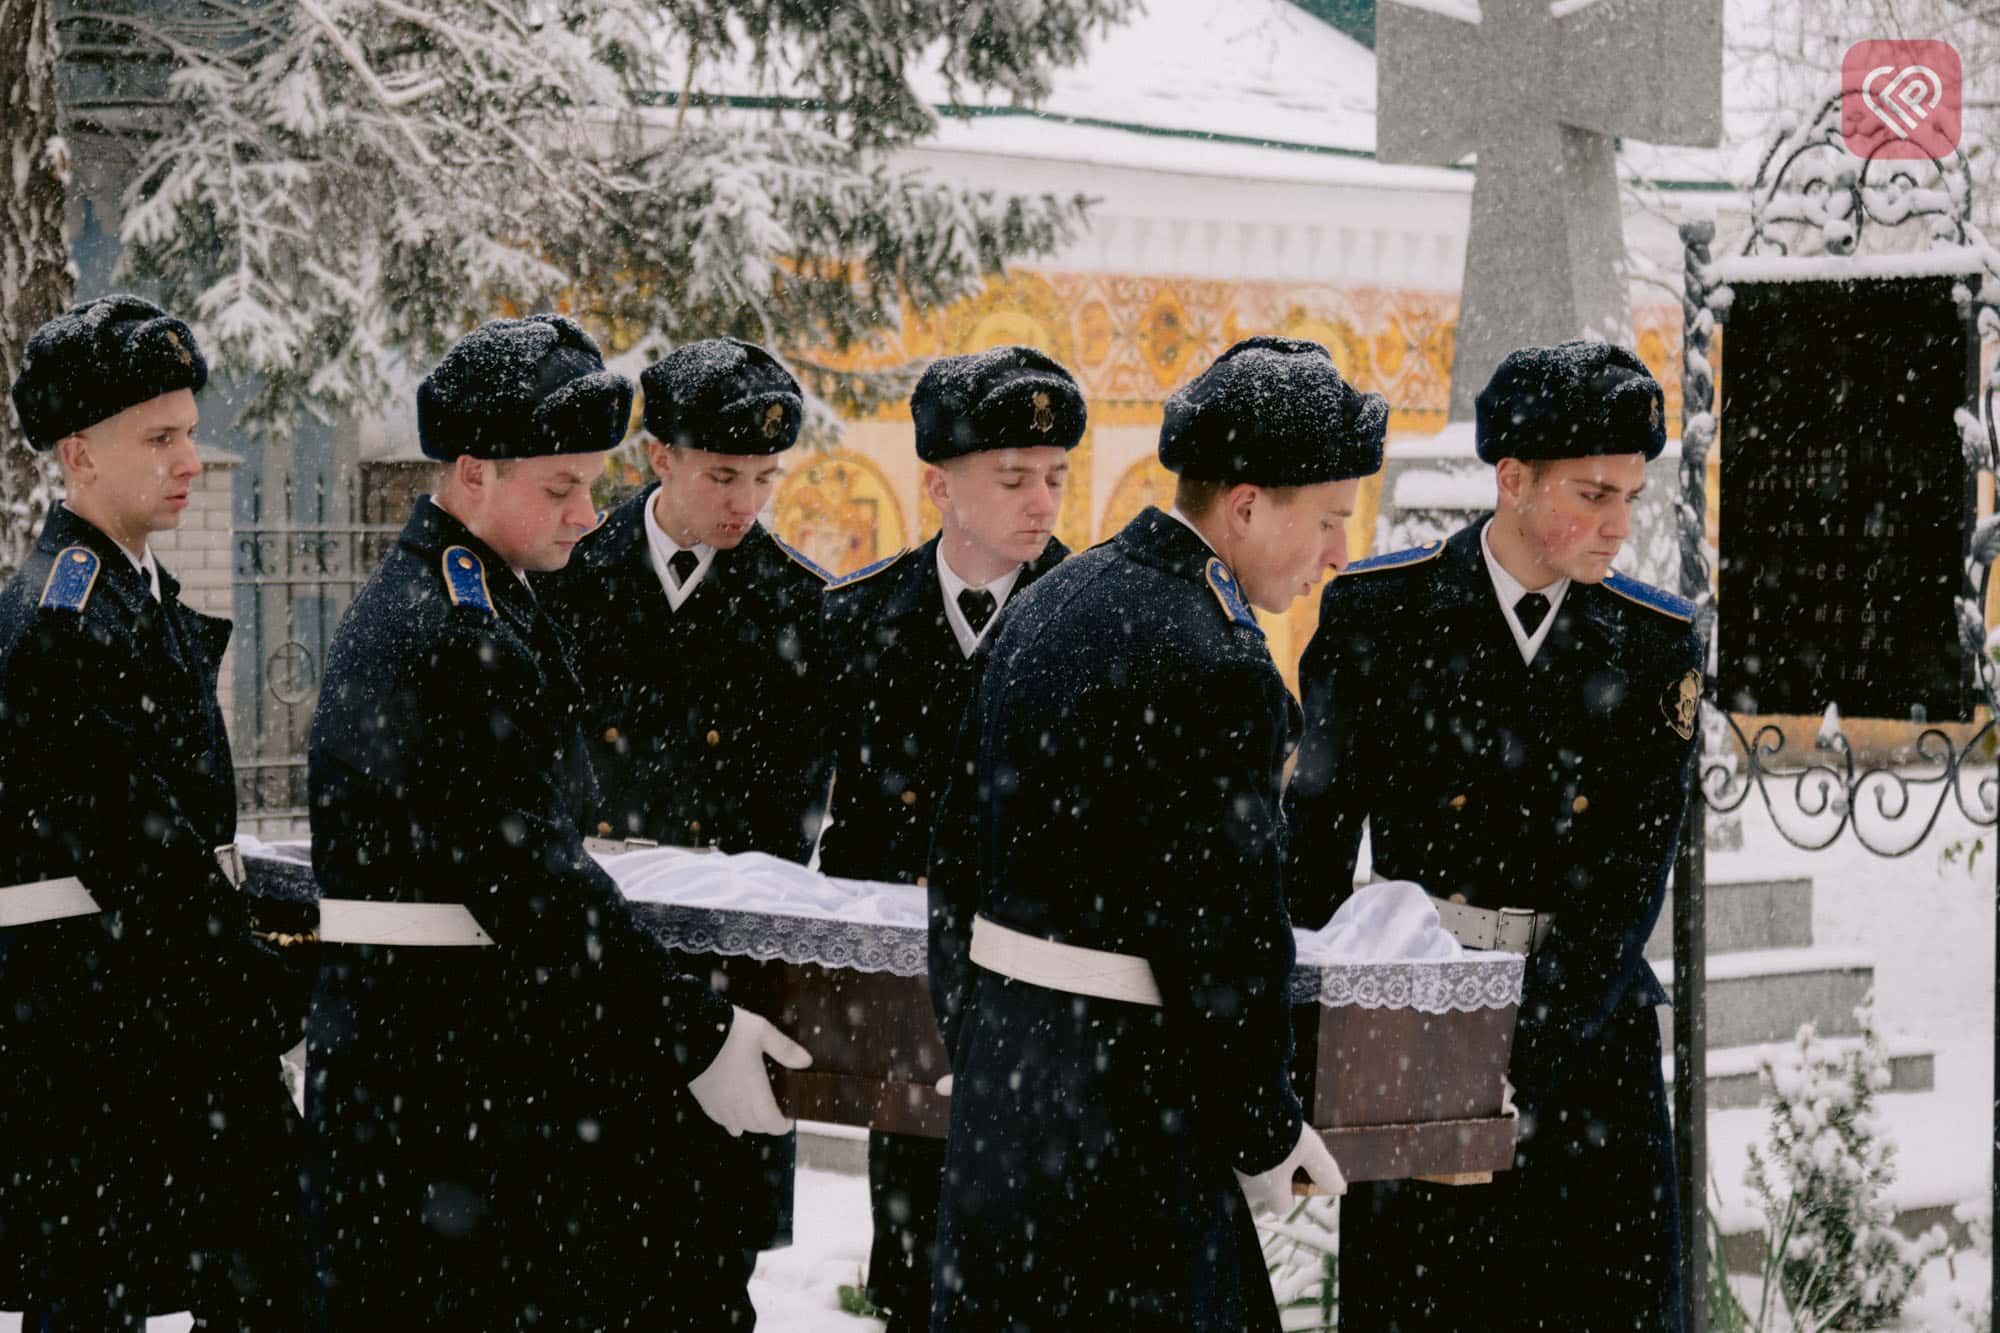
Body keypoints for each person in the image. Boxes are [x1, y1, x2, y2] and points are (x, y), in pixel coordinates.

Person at [306, 314, 809, 1331]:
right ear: (472, 472)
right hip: (441, 1095)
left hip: (442, 1083)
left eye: (588, 485)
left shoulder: (479, 599)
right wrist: (698, 1034)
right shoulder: (455, 630)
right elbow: (530, 879)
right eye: (559, 488)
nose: (586, 515)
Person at [927, 335, 1374, 1331]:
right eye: (1328, 519)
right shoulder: (1220, 661)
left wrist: (986, 1034)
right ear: (1246, 506)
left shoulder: (1053, 598)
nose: (1338, 552)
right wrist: (1262, 1127)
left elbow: (954, 853)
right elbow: (1225, 933)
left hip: (1005, 1096)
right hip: (1127, 1116)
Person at [1284, 340, 1703, 1333]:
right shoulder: (1379, 614)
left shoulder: (1654, 645)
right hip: (1413, 1030)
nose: (1619, 524)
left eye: (1631, 497)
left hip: (1586, 1046)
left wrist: (1511, 1058)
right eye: (1592, 494)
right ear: (1511, 479)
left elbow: (1624, 891)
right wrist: (1309, 1061)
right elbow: (1310, 858)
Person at [0, 295, 309, 1329]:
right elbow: (146, 859)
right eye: (160, 437)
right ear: (78, 453)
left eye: (189, 431)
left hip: (159, 1026)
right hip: (101, 1048)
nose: (189, 459)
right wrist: (271, 991)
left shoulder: (128, 594)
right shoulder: (65, 622)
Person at [537, 334, 830, 1300]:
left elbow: (787, 831)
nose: (748, 502)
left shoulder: (802, 606)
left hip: (725, 993)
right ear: (659, 456)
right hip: (587, 976)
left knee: (709, 1280)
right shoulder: (563, 575)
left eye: (766, 477)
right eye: (723, 475)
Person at [818, 346, 1084, 1333]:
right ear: (938, 485)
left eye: (1055, 476)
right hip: (906, 1005)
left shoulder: (1095, 618)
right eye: (1012, 478)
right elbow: (830, 832)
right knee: (914, 1276)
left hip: (1045, 1009)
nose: (1041, 501)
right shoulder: (855, 619)